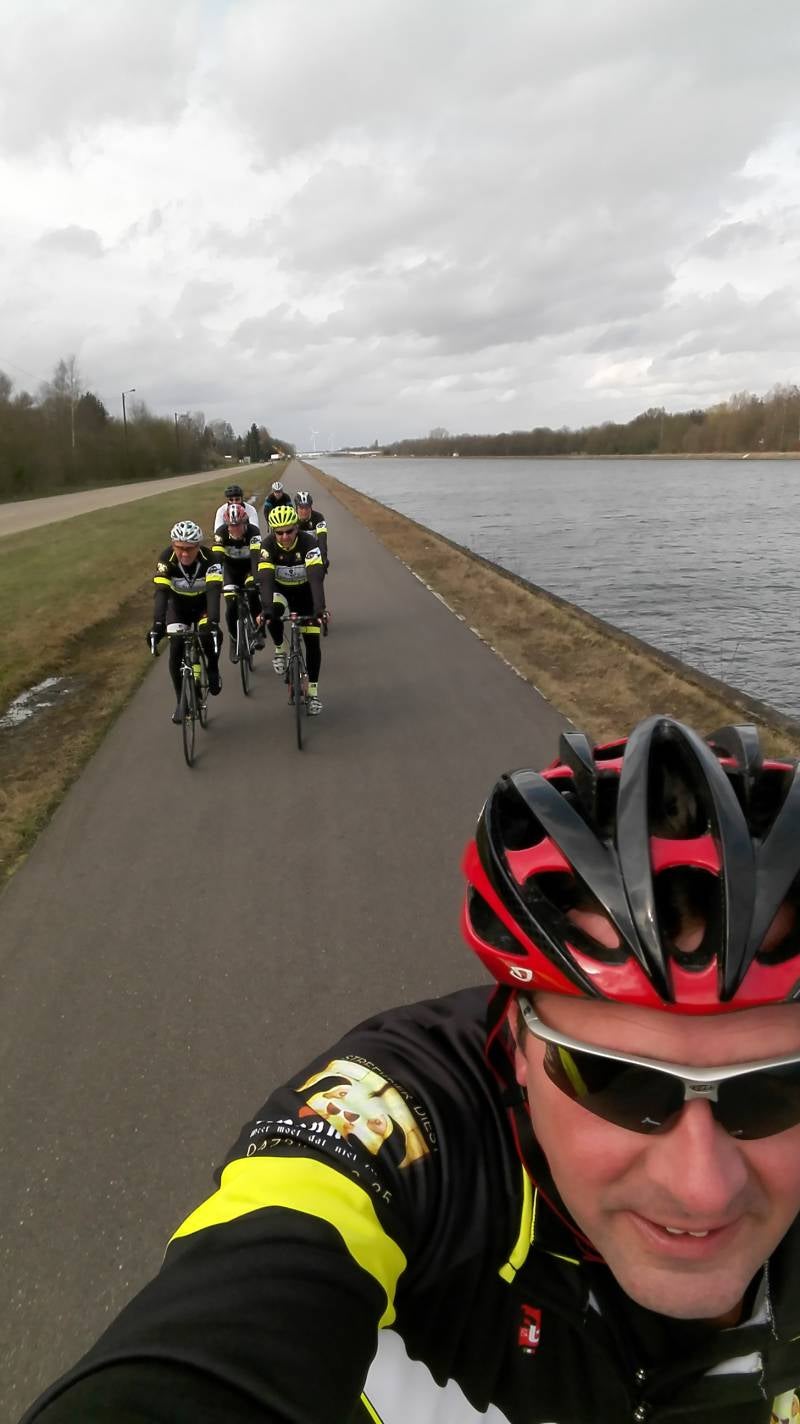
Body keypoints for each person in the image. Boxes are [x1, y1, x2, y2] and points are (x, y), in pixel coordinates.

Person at [21, 716, 800, 1422]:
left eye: (776, 1086)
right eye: (618, 1081)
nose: (703, 1186)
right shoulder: (403, 1117)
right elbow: (222, 1322)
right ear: (515, 1042)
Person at [147, 520, 222, 722]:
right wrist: (158, 624)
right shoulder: (166, 559)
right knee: (176, 647)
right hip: (178, 609)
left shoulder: (211, 559)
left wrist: (213, 622)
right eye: (179, 548)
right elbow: (161, 592)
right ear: (173, 545)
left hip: (203, 607)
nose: (185, 554)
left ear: (198, 546)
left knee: (208, 636)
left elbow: (214, 592)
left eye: (189, 549)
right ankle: (181, 702)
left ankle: (213, 667)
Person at [257, 504, 325, 715]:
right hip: (281, 591)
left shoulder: (309, 543)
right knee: (272, 613)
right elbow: (266, 581)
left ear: (297, 528)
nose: (285, 536)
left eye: (289, 531)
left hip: (305, 593)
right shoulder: (267, 546)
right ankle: (280, 649)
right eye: (279, 533)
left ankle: (313, 692)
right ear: (273, 531)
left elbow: (316, 578)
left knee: (312, 641)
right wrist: (265, 610)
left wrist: (320, 609)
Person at [211, 502, 265, 662]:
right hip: (231, 572)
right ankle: (234, 640)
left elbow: (255, 558)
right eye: (231, 526)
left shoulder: (253, 532)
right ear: (227, 525)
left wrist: (257, 581)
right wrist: (214, 583)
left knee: (253, 592)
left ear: (245, 523)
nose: (235, 529)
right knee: (231, 606)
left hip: (249, 569)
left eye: (238, 525)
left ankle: (258, 631)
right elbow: (217, 560)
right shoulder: (221, 533)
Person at [295, 489, 329, 570]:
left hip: (313, 549)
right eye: (301, 508)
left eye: (307, 508)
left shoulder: (318, 517)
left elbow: (322, 540)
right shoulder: (291, 517)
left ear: (311, 507)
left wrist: (323, 558)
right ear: (296, 508)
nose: (304, 511)